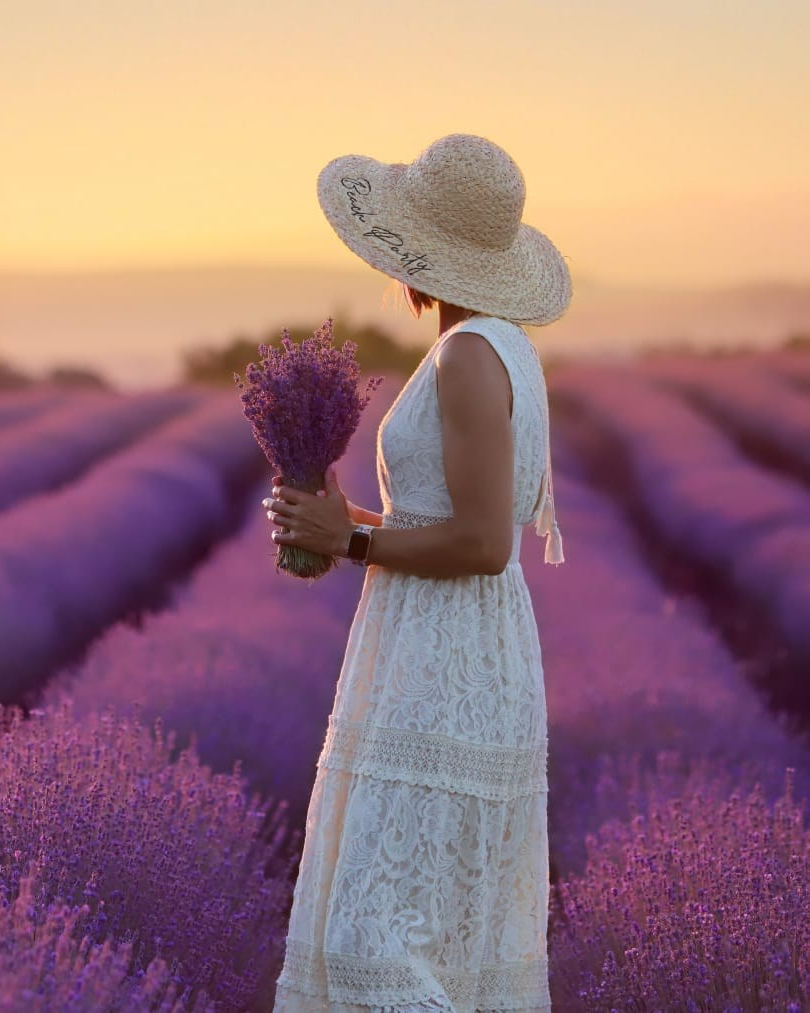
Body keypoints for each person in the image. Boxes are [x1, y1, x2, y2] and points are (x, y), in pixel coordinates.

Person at [261, 133, 569, 1012]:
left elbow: (484, 543)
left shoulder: (469, 353)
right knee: (438, 937)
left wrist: (357, 545)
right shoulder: (501, 345)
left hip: (445, 666)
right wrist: (341, 521)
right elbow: (446, 519)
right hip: (450, 649)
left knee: (373, 943)